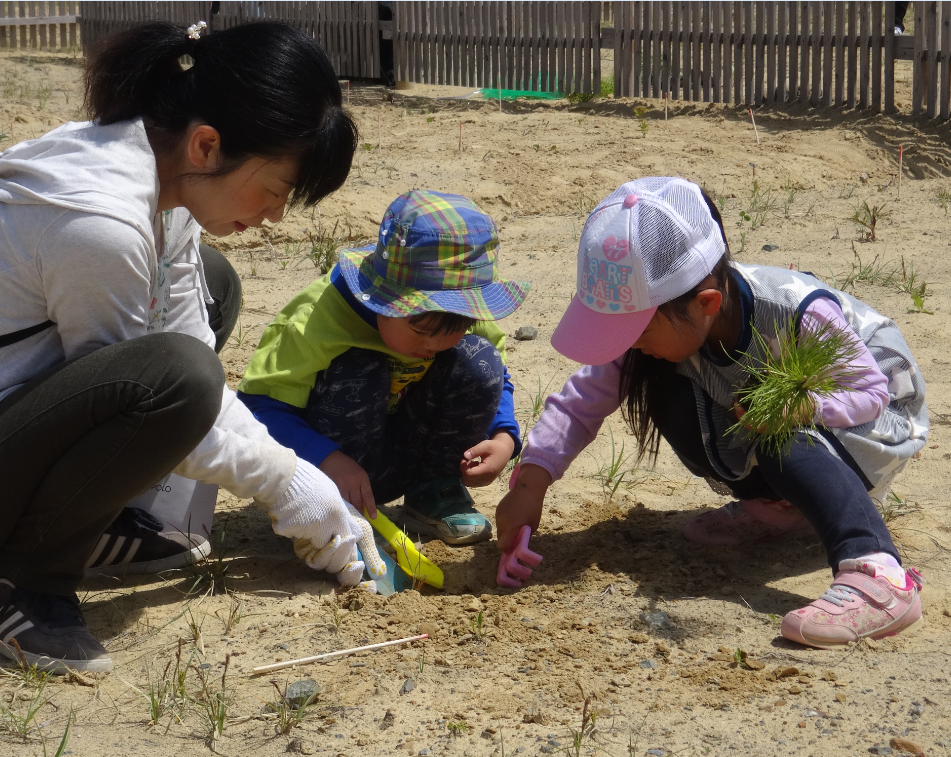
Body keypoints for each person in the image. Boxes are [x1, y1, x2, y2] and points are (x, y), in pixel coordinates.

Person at [0, 20, 382, 675]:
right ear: (205, 145)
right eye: (276, 190)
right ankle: (16, 583)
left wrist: (289, 478)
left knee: (210, 294)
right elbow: (171, 390)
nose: (275, 215)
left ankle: (85, 522)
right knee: (177, 380)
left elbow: (181, 343)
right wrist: (291, 487)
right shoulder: (100, 224)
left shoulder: (151, 176)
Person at [496, 176, 927, 649]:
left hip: (868, 423)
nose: (627, 345)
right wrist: (531, 483)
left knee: (784, 437)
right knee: (661, 388)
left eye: (636, 331)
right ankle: (783, 509)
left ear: (705, 304)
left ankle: (879, 574)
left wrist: (804, 405)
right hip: (792, 421)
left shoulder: (794, 309)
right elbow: (582, 401)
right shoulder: (668, 325)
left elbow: (870, 391)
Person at [238, 191, 526, 555]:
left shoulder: (460, 323)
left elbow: (498, 375)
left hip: (411, 454)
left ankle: (433, 491)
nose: (433, 345)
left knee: (478, 357)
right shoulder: (316, 319)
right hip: (332, 470)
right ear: (380, 297)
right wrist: (327, 459)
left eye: (452, 330)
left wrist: (503, 436)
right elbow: (259, 409)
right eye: (420, 331)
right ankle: (334, 514)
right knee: (359, 368)